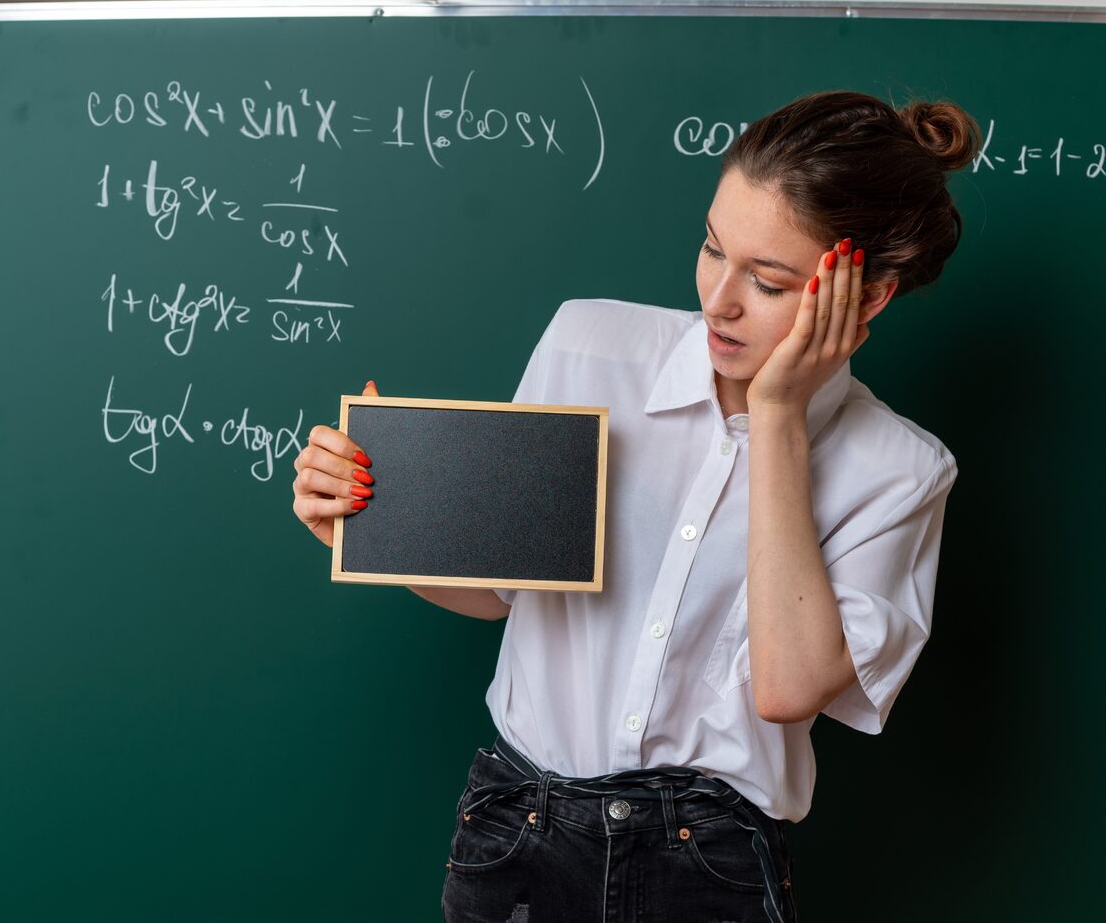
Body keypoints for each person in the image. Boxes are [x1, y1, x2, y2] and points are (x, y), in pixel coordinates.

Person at [290, 89, 976, 922]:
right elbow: (497, 593)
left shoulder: (899, 471)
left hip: (709, 860)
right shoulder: (589, 345)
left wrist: (779, 417)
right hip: (520, 825)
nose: (719, 299)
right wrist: (370, 522)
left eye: (767, 281)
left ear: (864, 300)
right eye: (712, 248)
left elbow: (789, 687)